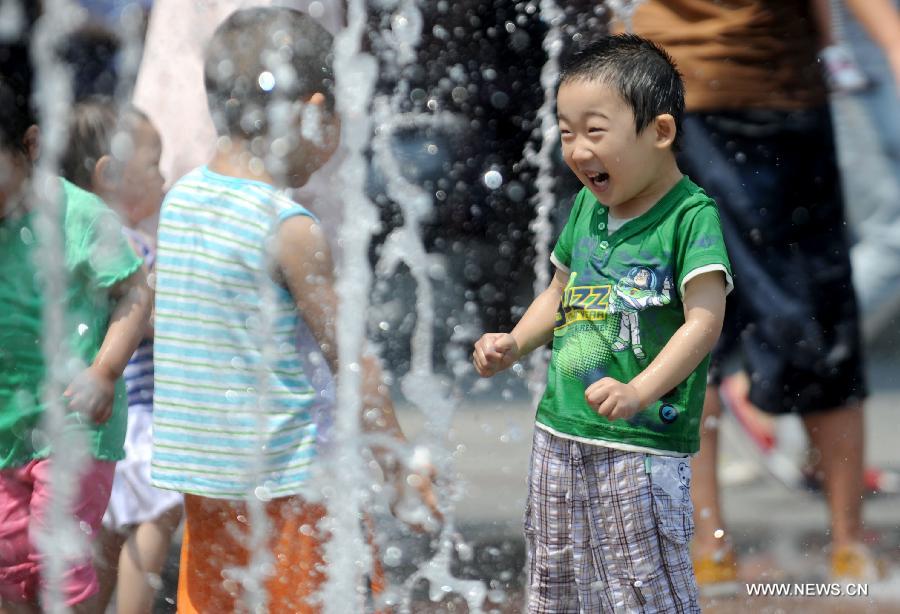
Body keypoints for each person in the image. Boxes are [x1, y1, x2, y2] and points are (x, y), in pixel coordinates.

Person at [149, 8, 437, 611]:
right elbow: (349, 358)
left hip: (205, 487)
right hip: (291, 492)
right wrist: (398, 467)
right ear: (313, 113)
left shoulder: (178, 204)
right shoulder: (289, 228)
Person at [473, 34, 732, 612]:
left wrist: (640, 389)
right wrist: (514, 341)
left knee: (644, 588)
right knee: (554, 581)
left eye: (595, 132)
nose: (577, 150)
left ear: (660, 133)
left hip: (640, 443)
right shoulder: (591, 205)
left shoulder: (691, 218)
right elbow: (562, 290)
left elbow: (704, 321)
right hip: (560, 431)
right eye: (566, 133)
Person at [630, 0, 877, 590]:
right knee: (817, 313)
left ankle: (705, 543)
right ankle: (847, 544)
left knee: (685, 318)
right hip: (764, 87)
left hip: (654, 92)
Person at [0, 78, 152, 612]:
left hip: (74, 425)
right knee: (10, 567)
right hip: (6, 433)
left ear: (32, 148)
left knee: (59, 563)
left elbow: (136, 292)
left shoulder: (80, 217)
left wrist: (106, 371)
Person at [59, 98, 182, 614]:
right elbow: (153, 317)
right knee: (157, 514)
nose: (164, 176)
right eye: (153, 164)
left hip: (97, 422)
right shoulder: (135, 250)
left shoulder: (74, 240)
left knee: (109, 529)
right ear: (109, 176)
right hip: (138, 416)